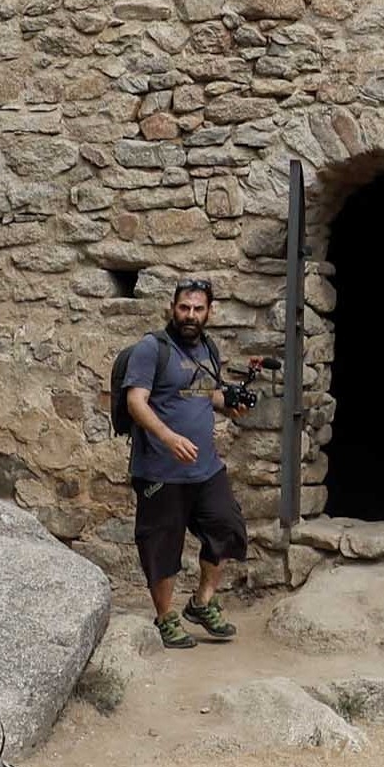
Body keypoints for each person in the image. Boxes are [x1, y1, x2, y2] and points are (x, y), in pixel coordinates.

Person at [121, 277, 248, 648]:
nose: (190, 315)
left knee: (226, 527)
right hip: (160, 469)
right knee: (162, 545)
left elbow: (202, 393)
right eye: (184, 308)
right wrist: (169, 437)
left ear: (210, 312)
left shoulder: (207, 348)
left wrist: (230, 406)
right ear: (172, 308)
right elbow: (136, 401)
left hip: (204, 468)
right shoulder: (151, 349)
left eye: (198, 309)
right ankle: (164, 618)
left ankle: (201, 603)